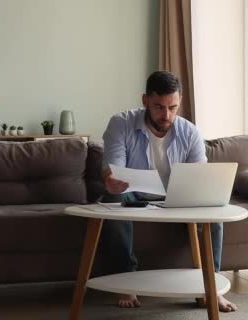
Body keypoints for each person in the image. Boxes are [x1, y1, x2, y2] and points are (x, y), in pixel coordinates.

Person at [100, 71, 237, 312]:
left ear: (180, 101)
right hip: (133, 194)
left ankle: (210, 286)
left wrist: (204, 192)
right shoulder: (121, 123)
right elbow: (114, 170)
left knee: (213, 213)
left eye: (172, 107)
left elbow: (200, 178)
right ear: (145, 101)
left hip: (176, 196)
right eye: (159, 107)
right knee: (112, 198)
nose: (166, 115)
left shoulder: (190, 132)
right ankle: (125, 281)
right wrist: (111, 181)